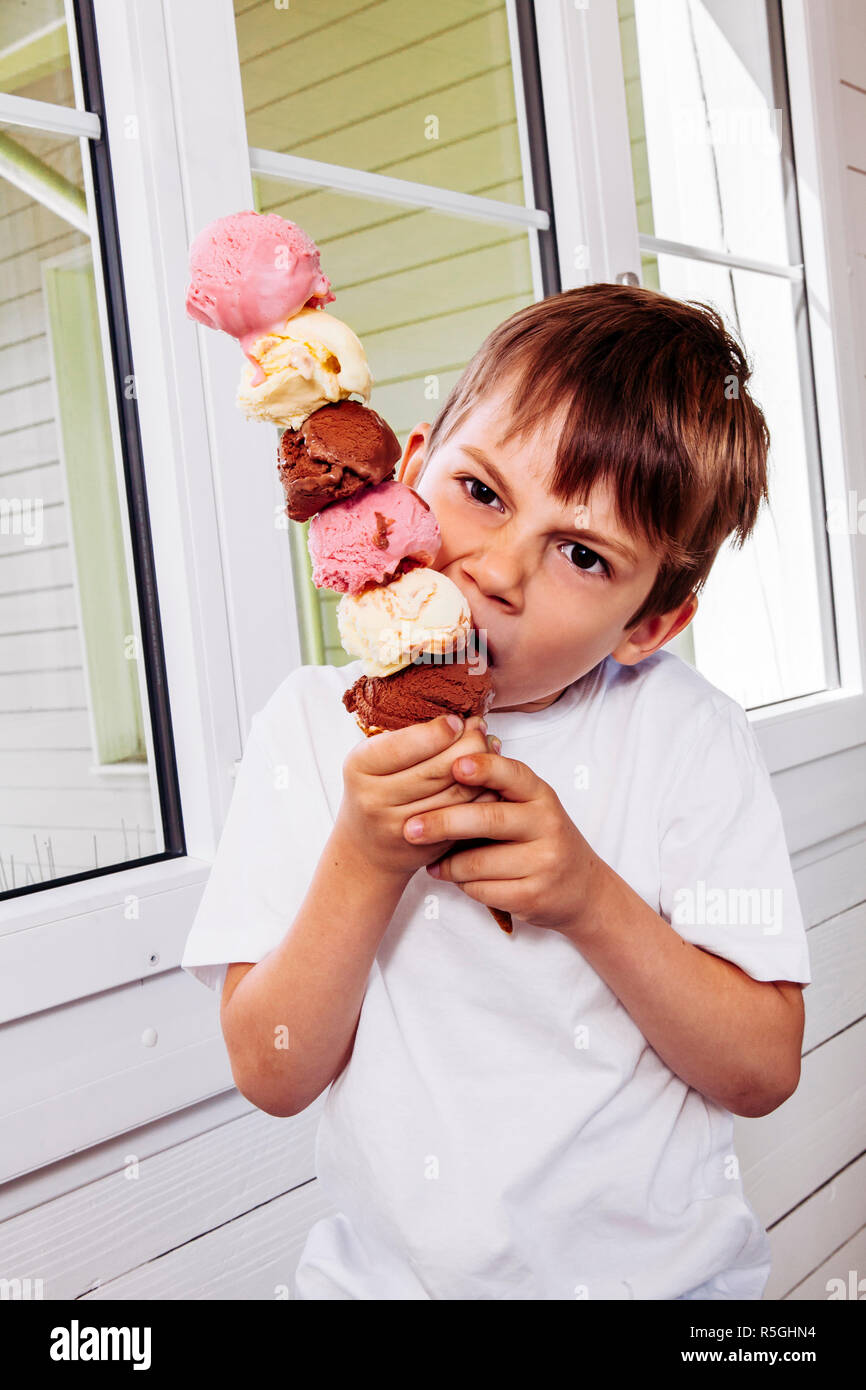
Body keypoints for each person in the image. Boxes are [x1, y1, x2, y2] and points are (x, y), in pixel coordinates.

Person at [181, 283, 811, 1300]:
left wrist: (587, 898)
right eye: (478, 492)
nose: (497, 571)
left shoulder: (685, 735)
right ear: (412, 468)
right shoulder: (307, 728)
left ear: (649, 623)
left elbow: (760, 1070)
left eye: (580, 554)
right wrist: (363, 853)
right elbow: (273, 1070)